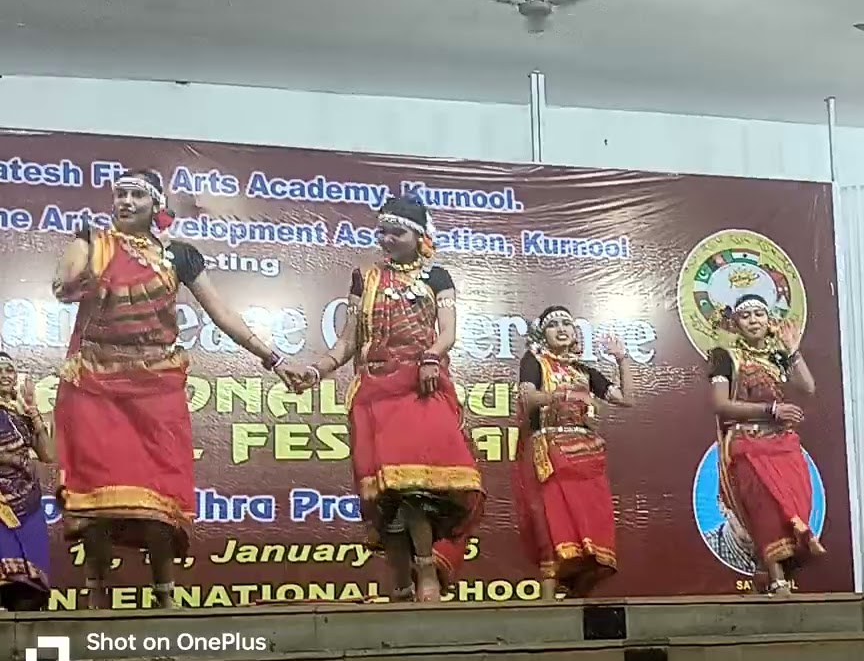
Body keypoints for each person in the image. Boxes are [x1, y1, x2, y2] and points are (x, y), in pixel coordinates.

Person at [52, 168, 303, 609]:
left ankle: (164, 597)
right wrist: (83, 259)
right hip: (94, 384)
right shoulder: (92, 240)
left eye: (136, 195)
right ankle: (97, 597)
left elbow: (223, 315)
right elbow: (64, 287)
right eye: (120, 194)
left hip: (156, 388)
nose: (125, 202)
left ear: (157, 205)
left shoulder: (180, 255)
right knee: (96, 501)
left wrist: (274, 359)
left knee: (158, 498)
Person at [294, 195, 485, 603]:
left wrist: (430, 357)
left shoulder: (437, 276)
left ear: (418, 236)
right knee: (386, 494)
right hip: (375, 394)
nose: (386, 239)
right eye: (382, 232)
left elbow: (448, 332)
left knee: (415, 485)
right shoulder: (365, 278)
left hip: (420, 387)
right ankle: (400, 586)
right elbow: (348, 341)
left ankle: (427, 572)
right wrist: (317, 370)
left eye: (396, 232)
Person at [511, 305, 634, 600]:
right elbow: (528, 398)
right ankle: (548, 605)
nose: (561, 329)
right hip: (552, 453)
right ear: (543, 334)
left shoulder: (584, 372)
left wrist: (622, 358)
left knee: (591, 535)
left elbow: (627, 398)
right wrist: (560, 394)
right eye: (553, 325)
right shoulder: (535, 362)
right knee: (554, 526)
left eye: (566, 324)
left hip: (586, 458)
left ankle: (578, 601)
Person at [706, 294, 824, 596]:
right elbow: (721, 405)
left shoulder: (777, 356)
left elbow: (808, 387)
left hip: (784, 445)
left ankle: (765, 574)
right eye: (745, 316)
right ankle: (777, 581)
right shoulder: (725, 356)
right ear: (736, 323)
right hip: (748, 445)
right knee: (766, 512)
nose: (753, 320)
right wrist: (771, 410)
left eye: (759, 314)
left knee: (795, 507)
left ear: (769, 319)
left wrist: (793, 350)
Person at [0, 352, 54, 611]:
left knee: (29, 584)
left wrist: (33, 411)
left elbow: (48, 455)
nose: (4, 375)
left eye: (9, 370)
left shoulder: (21, 415)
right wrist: (13, 458)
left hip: (29, 500)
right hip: (1, 501)